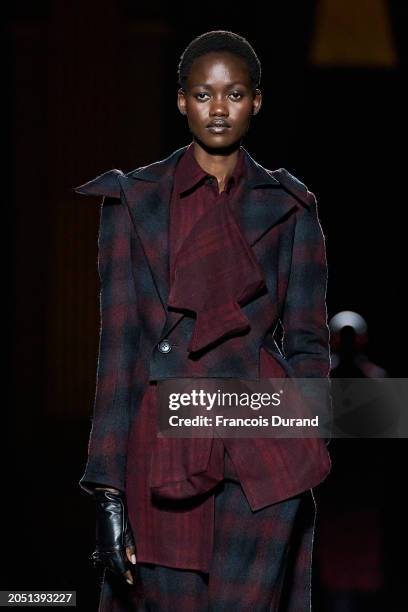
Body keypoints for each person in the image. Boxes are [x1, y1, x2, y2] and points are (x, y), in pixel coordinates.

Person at [74, 30, 332, 611]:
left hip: (262, 452)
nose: (219, 108)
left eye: (235, 93)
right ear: (182, 101)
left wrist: (306, 428)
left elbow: (310, 342)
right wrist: (109, 493)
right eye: (204, 93)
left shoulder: (289, 208)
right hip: (164, 448)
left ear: (256, 101)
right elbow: (118, 353)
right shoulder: (135, 204)